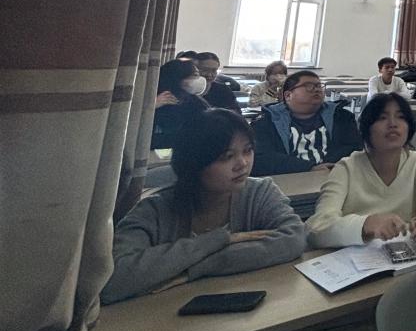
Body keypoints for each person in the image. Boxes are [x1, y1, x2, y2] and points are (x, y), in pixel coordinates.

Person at [102, 109, 306, 304]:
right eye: (227, 156)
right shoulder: (153, 211)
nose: (242, 163)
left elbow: (294, 238)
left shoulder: (259, 192)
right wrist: (219, 240)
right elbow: (113, 280)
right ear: (194, 163)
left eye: (248, 150)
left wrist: (197, 267)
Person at [306, 94, 416, 247]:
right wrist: (365, 225)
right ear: (366, 128)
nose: (393, 124)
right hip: (360, 260)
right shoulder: (346, 169)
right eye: (382, 118)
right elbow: (316, 228)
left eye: (401, 117)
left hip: (412, 257)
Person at [250, 71, 361, 175]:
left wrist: (327, 166)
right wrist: (309, 168)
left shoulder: (341, 117)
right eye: (308, 86)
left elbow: (354, 148)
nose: (316, 89)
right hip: (288, 178)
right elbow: (262, 158)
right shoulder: (266, 121)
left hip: (332, 174)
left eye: (319, 86)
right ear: (288, 95)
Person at [152, 58, 210, 151]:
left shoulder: (197, 102)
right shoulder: (157, 100)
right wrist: (152, 107)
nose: (199, 79)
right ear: (177, 78)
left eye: (198, 75)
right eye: (194, 76)